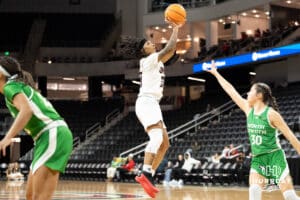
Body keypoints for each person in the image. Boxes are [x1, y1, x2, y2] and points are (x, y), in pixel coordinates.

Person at [206, 61, 300, 200]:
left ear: (259, 96)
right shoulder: (247, 109)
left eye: (250, 91)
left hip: (274, 158)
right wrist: (216, 73)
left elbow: (291, 137)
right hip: (258, 159)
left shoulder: (271, 114)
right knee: (254, 193)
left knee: (290, 196)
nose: (247, 94)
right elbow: (231, 90)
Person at [0, 56, 73, 200]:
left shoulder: (10, 86)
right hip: (44, 138)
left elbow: (26, 111)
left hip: (53, 133)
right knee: (31, 196)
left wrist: (7, 137)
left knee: (38, 197)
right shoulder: (16, 87)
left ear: (1, 73)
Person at [134, 22, 182, 198]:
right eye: (147, 44)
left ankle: (149, 175)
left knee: (165, 144)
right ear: (143, 51)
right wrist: (176, 27)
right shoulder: (147, 60)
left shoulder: (156, 61)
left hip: (153, 103)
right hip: (146, 102)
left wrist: (173, 48)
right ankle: (145, 172)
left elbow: (171, 52)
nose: (151, 43)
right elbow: (169, 49)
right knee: (156, 137)